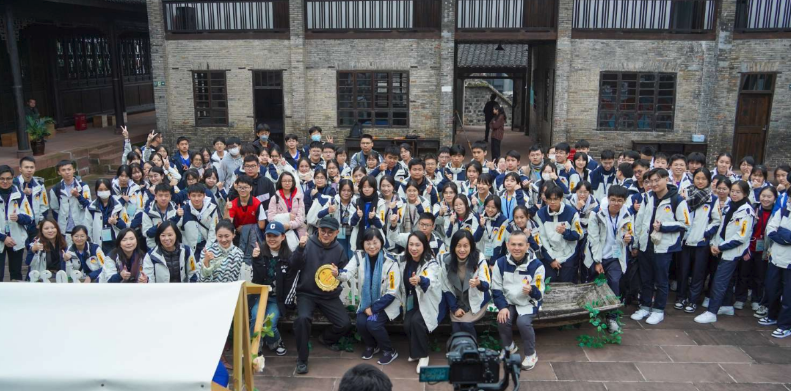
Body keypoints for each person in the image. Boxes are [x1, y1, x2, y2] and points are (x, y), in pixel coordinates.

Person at [290, 215, 352, 375]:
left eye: (330, 232)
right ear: (318, 230)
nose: (325, 234)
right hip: (307, 293)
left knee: (344, 323)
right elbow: (293, 265)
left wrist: (338, 274)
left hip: (329, 295)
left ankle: (325, 338)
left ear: (337, 232)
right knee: (303, 319)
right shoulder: (307, 243)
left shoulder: (339, 249)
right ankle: (302, 359)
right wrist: (300, 248)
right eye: (323, 231)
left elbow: (344, 273)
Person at [631, 168, 690, 325]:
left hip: (664, 247)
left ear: (666, 179)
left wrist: (664, 226)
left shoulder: (677, 200)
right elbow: (639, 221)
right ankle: (644, 306)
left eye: (657, 180)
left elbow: (685, 223)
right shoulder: (647, 197)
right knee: (646, 279)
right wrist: (635, 243)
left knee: (661, 280)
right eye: (651, 181)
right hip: (645, 245)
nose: (654, 184)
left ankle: (658, 310)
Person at [695, 180, 754, 323]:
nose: (734, 194)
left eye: (738, 192)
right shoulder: (729, 205)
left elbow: (741, 236)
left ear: (745, 194)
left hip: (731, 251)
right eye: (732, 191)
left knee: (719, 281)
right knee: (725, 280)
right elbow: (722, 227)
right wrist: (714, 244)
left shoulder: (747, 211)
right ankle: (727, 306)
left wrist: (720, 247)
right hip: (720, 248)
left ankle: (712, 311)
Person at [339, 228, 401, 365]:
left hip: (387, 303)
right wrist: (336, 273)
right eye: (368, 243)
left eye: (375, 242)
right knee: (361, 323)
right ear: (363, 244)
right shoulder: (359, 257)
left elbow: (392, 292)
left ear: (381, 242)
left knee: (373, 323)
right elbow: (346, 273)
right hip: (367, 303)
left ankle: (389, 351)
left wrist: (373, 308)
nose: (372, 246)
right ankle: (372, 346)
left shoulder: (390, 262)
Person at [492, 231, 544, 370]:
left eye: (520, 244)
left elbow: (539, 294)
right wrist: (502, 307)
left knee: (523, 323)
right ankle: (509, 347)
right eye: (513, 244)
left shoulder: (537, 265)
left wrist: (532, 290)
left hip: (528, 302)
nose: (516, 248)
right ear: (507, 245)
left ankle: (530, 354)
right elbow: (496, 289)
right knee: (503, 320)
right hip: (509, 301)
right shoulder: (500, 263)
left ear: (527, 246)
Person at [587, 185, 633, 332]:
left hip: (616, 255)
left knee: (614, 282)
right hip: (598, 255)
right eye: (613, 200)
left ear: (624, 201)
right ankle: (593, 313)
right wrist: (597, 261)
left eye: (619, 200)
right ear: (608, 199)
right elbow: (593, 239)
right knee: (593, 284)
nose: (616, 203)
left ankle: (612, 317)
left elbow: (630, 234)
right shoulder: (597, 214)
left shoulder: (626, 214)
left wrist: (628, 239)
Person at [400, 231, 443, 374]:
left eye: (418, 245)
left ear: (424, 246)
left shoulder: (431, 262)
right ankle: (415, 352)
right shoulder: (404, 259)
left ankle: (424, 356)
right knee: (407, 323)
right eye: (411, 244)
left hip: (428, 300)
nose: (414, 248)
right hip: (412, 300)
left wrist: (420, 280)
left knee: (417, 321)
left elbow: (431, 279)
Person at [678, 168, 720, 313]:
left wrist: (706, 233)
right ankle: (680, 297)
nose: (700, 181)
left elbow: (716, 220)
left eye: (703, 179)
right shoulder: (684, 196)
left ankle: (693, 300)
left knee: (698, 273)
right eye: (697, 178)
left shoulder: (712, 199)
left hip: (701, 242)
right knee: (683, 271)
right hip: (685, 240)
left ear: (708, 181)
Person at [250, 221, 293, 356]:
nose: (272, 239)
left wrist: (287, 302)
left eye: (275, 236)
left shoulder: (288, 256)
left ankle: (276, 341)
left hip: (276, 298)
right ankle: (255, 344)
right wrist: (256, 260)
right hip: (260, 295)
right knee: (256, 317)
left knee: (269, 323)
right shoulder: (260, 252)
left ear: (283, 237)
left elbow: (290, 281)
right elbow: (257, 279)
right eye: (269, 236)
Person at [441, 229, 491, 340]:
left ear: (471, 247)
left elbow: (486, 284)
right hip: (458, 301)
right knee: (455, 327)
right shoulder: (447, 261)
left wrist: (479, 283)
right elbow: (446, 288)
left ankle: (473, 350)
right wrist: (454, 308)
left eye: (465, 246)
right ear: (453, 246)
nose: (462, 250)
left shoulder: (479, 258)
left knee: (466, 324)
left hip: (477, 300)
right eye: (458, 246)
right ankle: (458, 351)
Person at [535, 185, 582, 283]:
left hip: (568, 253)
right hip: (550, 254)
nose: (552, 202)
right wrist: (551, 259)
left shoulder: (572, 212)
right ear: (545, 199)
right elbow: (542, 239)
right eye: (549, 199)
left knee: (567, 282)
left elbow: (579, 234)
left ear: (561, 199)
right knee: (550, 283)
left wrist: (565, 232)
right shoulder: (540, 214)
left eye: (555, 199)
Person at [764, 193, 791, 338]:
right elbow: (771, 230)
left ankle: (785, 325)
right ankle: (772, 316)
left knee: (788, 296)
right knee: (772, 289)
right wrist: (786, 236)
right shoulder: (782, 211)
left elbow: (777, 231)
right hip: (776, 257)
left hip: (789, 262)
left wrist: (782, 232)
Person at [0, 165, 33, 281]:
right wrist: (3, 237)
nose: (5, 181)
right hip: (1, 239)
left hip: (16, 239)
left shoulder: (19, 195)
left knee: (16, 274)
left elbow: (30, 217)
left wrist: (19, 217)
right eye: (2, 178)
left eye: (8, 178)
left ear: (12, 178)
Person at [748, 186, 776, 318]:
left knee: (760, 275)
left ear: (774, 198)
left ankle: (757, 299)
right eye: (763, 196)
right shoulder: (754, 208)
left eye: (769, 196)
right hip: (751, 246)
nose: (765, 199)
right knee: (745, 273)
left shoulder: (776, 212)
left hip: (765, 249)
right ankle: (743, 297)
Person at [49, 160, 91, 246]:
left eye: (69, 169)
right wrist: (60, 222)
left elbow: (88, 205)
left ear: (74, 170)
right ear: (59, 172)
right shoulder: (55, 189)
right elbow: (55, 209)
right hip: (65, 229)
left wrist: (78, 196)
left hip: (81, 225)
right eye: (63, 170)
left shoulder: (83, 186)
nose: (67, 172)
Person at [86, 178, 131, 254]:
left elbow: (127, 225)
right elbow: (88, 227)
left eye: (106, 189)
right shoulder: (91, 208)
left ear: (110, 190)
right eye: (100, 190)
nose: (103, 192)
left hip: (115, 241)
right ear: (96, 191)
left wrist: (116, 222)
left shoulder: (119, 206)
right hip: (99, 243)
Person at [14, 156, 48, 243]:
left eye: (31, 167)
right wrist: (22, 193)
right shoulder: (14, 184)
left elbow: (44, 204)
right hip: (19, 223)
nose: (29, 170)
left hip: (34, 224)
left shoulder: (39, 184)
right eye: (26, 167)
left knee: (35, 250)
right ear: (20, 169)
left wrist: (41, 221)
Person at [178, 184, 218, 256]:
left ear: (204, 195)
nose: (196, 199)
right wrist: (177, 216)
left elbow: (213, 229)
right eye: (193, 196)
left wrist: (208, 247)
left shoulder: (211, 208)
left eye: (199, 195)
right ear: (189, 196)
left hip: (207, 244)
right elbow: (177, 228)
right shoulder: (183, 210)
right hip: (190, 247)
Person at [140, 184, 180, 250]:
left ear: (170, 197)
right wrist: (158, 228)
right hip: (154, 246)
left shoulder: (176, 210)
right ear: (155, 196)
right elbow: (146, 233)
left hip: (172, 245)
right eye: (160, 195)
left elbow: (179, 230)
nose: (163, 198)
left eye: (166, 196)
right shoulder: (148, 212)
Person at [268, 171, 306, 240]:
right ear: (280, 182)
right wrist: (287, 217)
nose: (287, 183)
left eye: (289, 181)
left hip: (298, 231)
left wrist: (289, 225)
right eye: (284, 181)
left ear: (293, 182)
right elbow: (271, 218)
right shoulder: (275, 198)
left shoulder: (299, 197)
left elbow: (301, 217)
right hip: (281, 232)